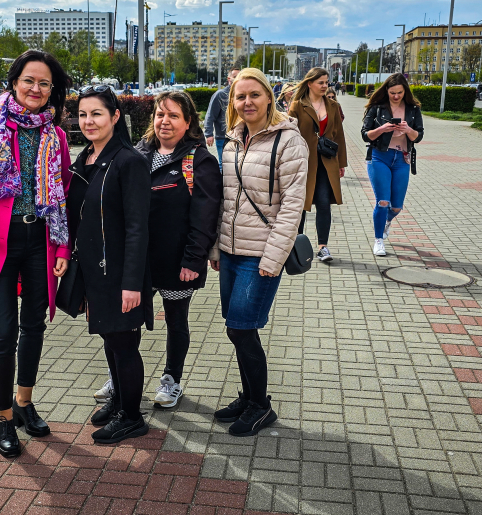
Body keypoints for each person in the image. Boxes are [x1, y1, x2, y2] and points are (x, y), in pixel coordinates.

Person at [0, 50, 73, 458]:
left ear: (52, 90)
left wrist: (62, 246)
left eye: (44, 83)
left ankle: (24, 403)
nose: (36, 89)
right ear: (14, 82)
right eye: (29, 80)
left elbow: (62, 193)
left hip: (40, 240)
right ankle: (4, 417)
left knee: (34, 326)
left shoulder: (56, 135)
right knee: (4, 332)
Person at [209, 68, 308, 436]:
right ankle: (250, 396)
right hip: (231, 251)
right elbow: (225, 201)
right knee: (238, 329)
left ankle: (261, 406)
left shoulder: (289, 142)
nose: (247, 102)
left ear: (269, 97)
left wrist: (273, 258)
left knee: (242, 328)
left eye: (254, 94)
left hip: (261, 255)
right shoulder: (233, 140)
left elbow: (292, 208)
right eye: (240, 96)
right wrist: (216, 247)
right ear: (232, 102)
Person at [66, 85, 153, 444]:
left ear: (115, 116)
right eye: (83, 115)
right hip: (94, 270)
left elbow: (138, 227)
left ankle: (132, 417)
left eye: (97, 114)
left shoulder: (129, 161)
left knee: (124, 342)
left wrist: (132, 283)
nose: (88, 121)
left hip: (118, 272)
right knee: (110, 337)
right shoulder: (85, 157)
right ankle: (119, 402)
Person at [134, 91, 222, 409]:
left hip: (177, 262)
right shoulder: (138, 153)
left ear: (188, 122)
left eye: (173, 116)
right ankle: (121, 377)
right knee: (127, 320)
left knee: (175, 320)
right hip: (138, 261)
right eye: (160, 114)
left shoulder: (199, 160)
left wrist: (194, 259)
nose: (165, 121)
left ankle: (172, 379)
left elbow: (205, 216)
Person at [287, 68, 347, 263]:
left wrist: (342, 163)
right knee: (300, 204)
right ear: (310, 83)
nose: (324, 86)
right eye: (321, 82)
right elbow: (289, 134)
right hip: (303, 162)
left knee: (323, 202)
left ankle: (323, 247)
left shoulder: (333, 106)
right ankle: (296, 244)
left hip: (326, 161)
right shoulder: (297, 105)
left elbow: (339, 135)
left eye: (326, 82)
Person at [361, 73, 424, 256]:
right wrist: (382, 129)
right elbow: (365, 135)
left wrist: (408, 129)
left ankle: (386, 221)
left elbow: (418, 136)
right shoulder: (377, 108)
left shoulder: (413, 109)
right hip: (379, 157)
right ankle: (378, 240)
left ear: (405, 91)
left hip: (402, 159)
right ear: (386, 91)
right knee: (383, 201)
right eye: (392, 93)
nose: (396, 96)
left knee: (396, 206)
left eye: (399, 93)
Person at [204, 67, 239, 170]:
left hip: (239, 137)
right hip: (223, 137)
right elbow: (210, 115)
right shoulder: (220, 95)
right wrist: (209, 134)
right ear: (229, 79)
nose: (238, 79)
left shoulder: (243, 96)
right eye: (235, 76)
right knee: (223, 165)